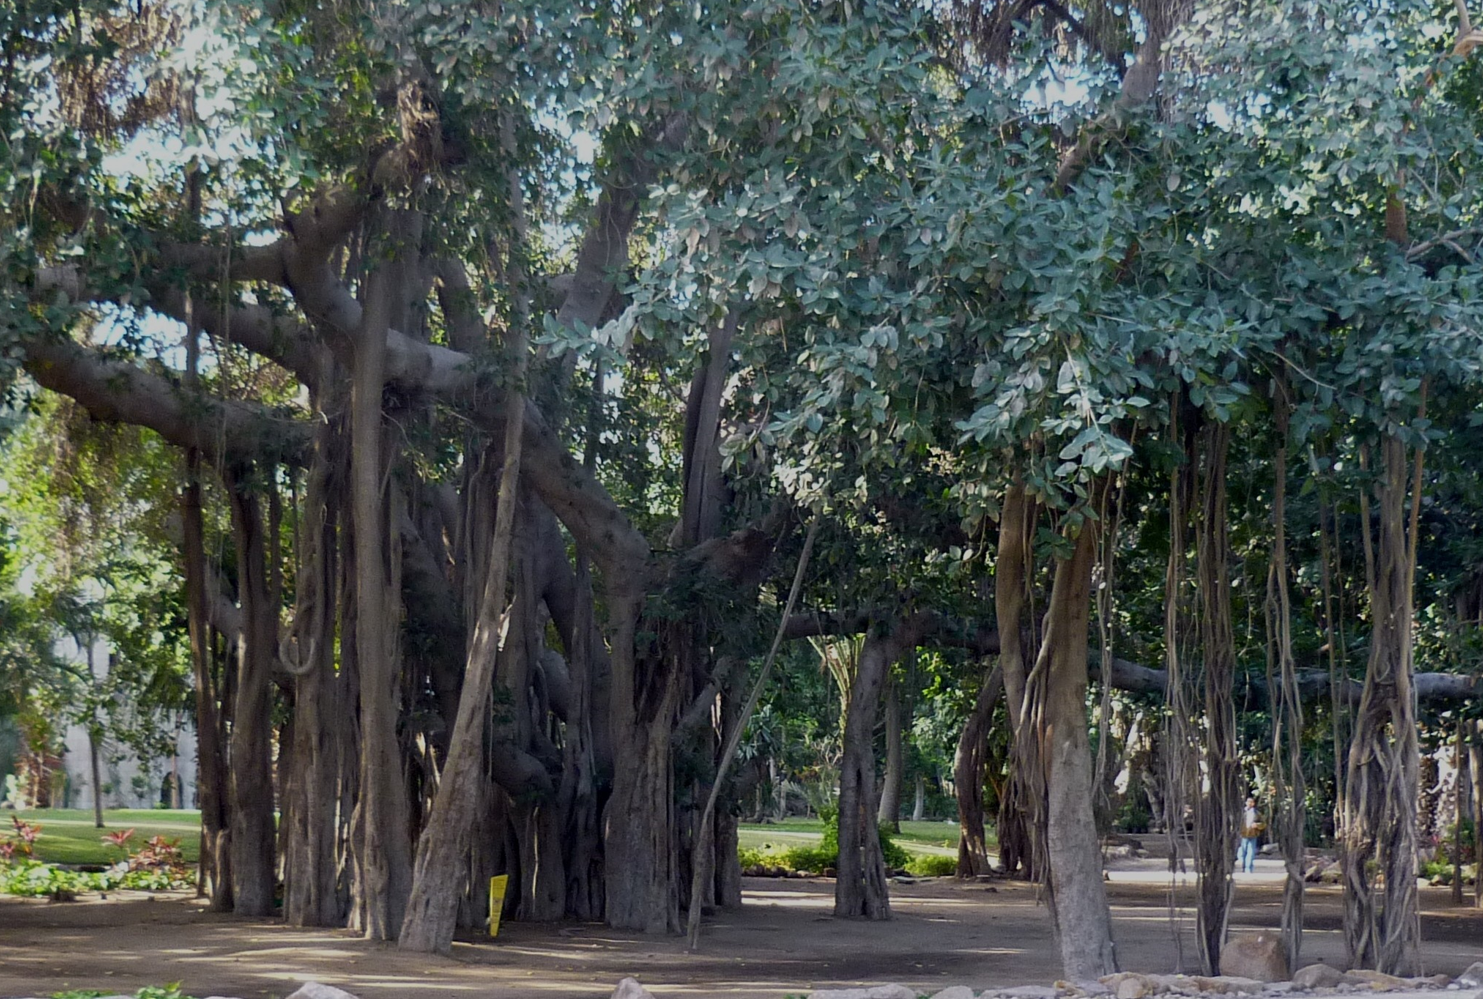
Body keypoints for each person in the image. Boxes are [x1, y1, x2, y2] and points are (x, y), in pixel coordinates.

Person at [1237, 796, 1262, 874]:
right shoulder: (1241, 813)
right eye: (1248, 802)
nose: (1249, 803)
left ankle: (1248, 869)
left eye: (1251, 802)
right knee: (1243, 852)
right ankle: (1244, 867)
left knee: (1250, 852)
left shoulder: (1257, 814)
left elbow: (1263, 823)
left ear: (1253, 804)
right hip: (1243, 835)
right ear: (1246, 803)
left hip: (1253, 835)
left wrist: (1257, 825)